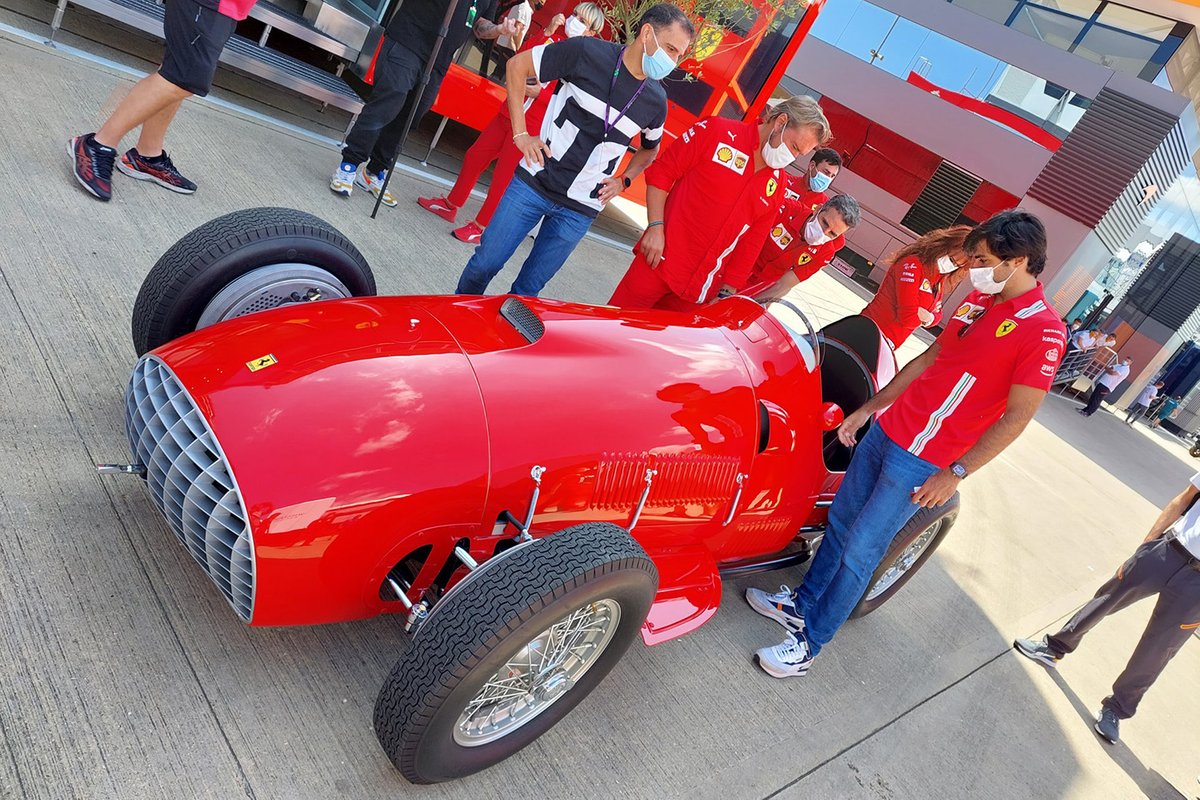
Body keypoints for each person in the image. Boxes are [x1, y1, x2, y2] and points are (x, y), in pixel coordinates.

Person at [744, 210, 1066, 678]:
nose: (972, 267)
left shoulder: (1044, 330)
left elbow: (1017, 418)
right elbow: (928, 360)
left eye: (981, 258)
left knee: (861, 550)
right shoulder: (978, 300)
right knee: (840, 522)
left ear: (1016, 261)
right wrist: (868, 409)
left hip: (924, 462)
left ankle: (810, 644)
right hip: (888, 432)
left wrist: (955, 473)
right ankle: (801, 601)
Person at [454, 4, 694, 297]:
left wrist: (624, 181)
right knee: (484, 265)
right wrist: (520, 134)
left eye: (679, 55)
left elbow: (649, 151)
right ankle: (453, 325)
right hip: (534, 183)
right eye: (670, 49)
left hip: (580, 208)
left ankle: (497, 339)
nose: (673, 60)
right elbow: (517, 66)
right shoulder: (586, 52)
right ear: (646, 33)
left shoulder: (656, 101)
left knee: (528, 290)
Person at [1013, 475, 1200, 744]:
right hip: (1169, 551)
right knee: (1108, 598)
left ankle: (1116, 710)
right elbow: (1183, 499)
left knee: (1160, 648)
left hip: (1196, 589)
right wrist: (1146, 545)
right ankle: (1054, 648)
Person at [605, 95, 832, 311]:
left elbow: (751, 242)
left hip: (700, 291)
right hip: (657, 262)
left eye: (799, 153)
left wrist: (726, 292)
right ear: (780, 122)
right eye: (793, 146)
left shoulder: (777, 184)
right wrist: (655, 227)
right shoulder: (717, 131)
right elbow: (662, 173)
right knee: (607, 332)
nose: (791, 157)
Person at [418, 2, 606, 244]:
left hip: (532, 126)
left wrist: (542, 94)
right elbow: (522, 57)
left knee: (502, 180)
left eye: (582, 20)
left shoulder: (587, 66)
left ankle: (482, 227)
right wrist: (546, 32)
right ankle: (451, 204)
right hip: (509, 112)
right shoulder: (555, 44)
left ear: (590, 32)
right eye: (575, 15)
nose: (574, 20)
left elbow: (576, 102)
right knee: (475, 156)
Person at [330, 0, 518, 206]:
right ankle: (349, 164)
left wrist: (499, 29)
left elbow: (480, 27)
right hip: (408, 41)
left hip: (438, 60)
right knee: (387, 104)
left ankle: (374, 171)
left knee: (413, 114)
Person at [68, 0, 259, 200]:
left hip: (229, 7)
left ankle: (147, 155)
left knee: (178, 74)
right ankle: (96, 145)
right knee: (186, 76)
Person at [860, 226, 971, 348]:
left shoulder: (938, 279)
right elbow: (907, 318)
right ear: (943, 246)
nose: (952, 266)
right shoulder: (912, 264)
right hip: (870, 331)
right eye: (951, 259)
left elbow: (938, 315)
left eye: (957, 265)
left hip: (888, 343)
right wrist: (925, 316)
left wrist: (928, 317)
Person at [750, 195, 860, 303]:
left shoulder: (825, 253)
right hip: (739, 267)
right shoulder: (786, 209)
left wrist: (753, 305)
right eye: (824, 223)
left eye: (832, 233)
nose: (823, 232)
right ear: (817, 209)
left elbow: (784, 285)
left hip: (762, 290)